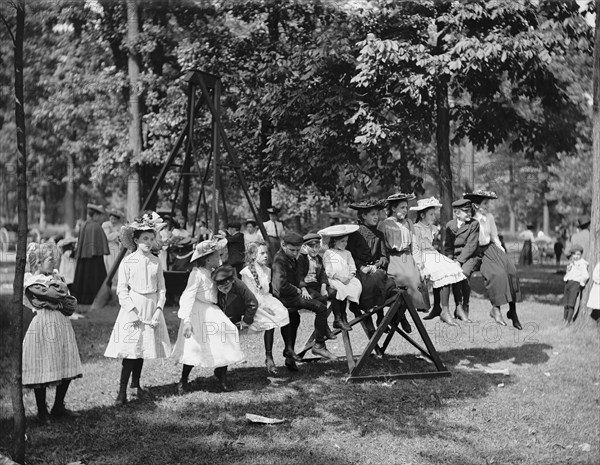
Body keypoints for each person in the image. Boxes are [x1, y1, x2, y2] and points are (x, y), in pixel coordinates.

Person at [104, 212, 172, 405]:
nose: (148, 242)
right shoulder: (128, 261)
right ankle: (121, 391)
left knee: (142, 348)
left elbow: (162, 288)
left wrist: (159, 309)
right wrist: (131, 311)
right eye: (144, 239)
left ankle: (136, 385)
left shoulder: (155, 261)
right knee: (131, 350)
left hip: (150, 306)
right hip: (133, 307)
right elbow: (122, 290)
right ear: (135, 240)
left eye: (151, 239)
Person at [171, 237, 245, 393]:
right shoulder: (196, 274)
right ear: (206, 259)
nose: (219, 258)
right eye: (216, 256)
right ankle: (183, 379)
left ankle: (222, 374)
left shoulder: (215, 272)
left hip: (212, 309)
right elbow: (188, 296)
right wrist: (186, 320)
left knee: (226, 333)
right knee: (195, 344)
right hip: (198, 311)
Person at [22, 242, 82, 423]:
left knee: (65, 359)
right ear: (38, 262)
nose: (53, 261)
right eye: (49, 259)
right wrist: (57, 297)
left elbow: (70, 303)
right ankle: (42, 410)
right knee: (43, 363)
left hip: (62, 324)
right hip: (43, 324)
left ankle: (58, 406)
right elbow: (54, 295)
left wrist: (58, 298)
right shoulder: (33, 281)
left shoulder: (56, 277)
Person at [271, 231, 337, 371]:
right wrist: (299, 290)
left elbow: (297, 276)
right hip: (285, 297)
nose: (295, 253)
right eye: (292, 250)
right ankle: (319, 345)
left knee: (294, 320)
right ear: (283, 245)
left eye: (297, 250)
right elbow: (280, 285)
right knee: (320, 308)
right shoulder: (279, 260)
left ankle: (289, 355)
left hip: (293, 294)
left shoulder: (290, 256)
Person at [465, 190, 523, 330]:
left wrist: (502, 251)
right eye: (485, 203)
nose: (487, 206)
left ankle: (512, 311)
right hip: (477, 250)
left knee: (511, 270)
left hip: (490, 247)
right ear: (475, 205)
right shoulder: (470, 220)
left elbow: (494, 236)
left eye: (487, 203)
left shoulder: (489, 217)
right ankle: (495, 309)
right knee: (497, 274)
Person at [410, 198, 467, 326]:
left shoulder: (432, 228)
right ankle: (444, 310)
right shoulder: (416, 229)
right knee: (442, 273)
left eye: (434, 213)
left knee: (454, 268)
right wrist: (420, 266)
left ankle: (456, 307)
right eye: (431, 214)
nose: (434, 216)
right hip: (423, 257)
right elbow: (415, 249)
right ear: (422, 215)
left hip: (433, 255)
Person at [240, 243, 292, 374]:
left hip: (267, 298)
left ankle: (288, 348)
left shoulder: (267, 271)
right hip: (254, 303)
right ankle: (269, 357)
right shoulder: (247, 273)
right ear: (253, 256)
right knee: (270, 323)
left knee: (284, 313)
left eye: (266, 253)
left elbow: (270, 290)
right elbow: (250, 295)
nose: (266, 256)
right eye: (262, 253)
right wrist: (264, 306)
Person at [378, 192, 430, 311]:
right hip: (392, 259)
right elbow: (381, 247)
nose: (405, 210)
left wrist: (421, 266)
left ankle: (411, 309)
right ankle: (397, 315)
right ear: (393, 208)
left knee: (418, 278)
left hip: (407, 258)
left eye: (406, 207)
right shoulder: (385, 224)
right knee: (405, 279)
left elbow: (415, 246)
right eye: (402, 207)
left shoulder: (409, 223)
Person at [298, 233, 352, 332]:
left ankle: (338, 318)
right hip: (307, 286)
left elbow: (323, 274)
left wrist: (323, 288)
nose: (315, 250)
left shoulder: (318, 258)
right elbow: (298, 275)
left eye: (317, 247)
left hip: (317, 285)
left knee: (335, 292)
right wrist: (303, 289)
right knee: (321, 300)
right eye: (312, 247)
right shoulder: (302, 258)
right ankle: (324, 327)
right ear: (305, 247)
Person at [442, 199, 481, 322]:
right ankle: (458, 308)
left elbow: (471, 246)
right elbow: (448, 246)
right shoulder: (450, 225)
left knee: (462, 274)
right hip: (454, 258)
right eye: (465, 211)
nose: (469, 213)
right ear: (457, 213)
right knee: (451, 274)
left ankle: (465, 306)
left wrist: (458, 262)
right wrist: (450, 261)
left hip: (471, 257)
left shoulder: (474, 224)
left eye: (470, 211)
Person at [320, 225, 364, 331]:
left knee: (356, 285)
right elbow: (328, 270)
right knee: (340, 290)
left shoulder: (347, 253)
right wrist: (340, 278)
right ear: (335, 241)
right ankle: (338, 318)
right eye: (342, 241)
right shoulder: (329, 253)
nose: (345, 244)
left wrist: (349, 276)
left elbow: (352, 266)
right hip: (335, 279)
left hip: (347, 279)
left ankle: (346, 314)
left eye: (346, 241)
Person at [71, 204, 110, 304]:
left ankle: (81, 298)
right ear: (95, 215)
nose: (100, 217)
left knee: (82, 278)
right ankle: (95, 298)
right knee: (96, 278)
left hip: (83, 258)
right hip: (95, 259)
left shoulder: (84, 225)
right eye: (99, 215)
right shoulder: (96, 226)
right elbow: (102, 242)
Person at [562, 244, 589, 325]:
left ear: (581, 254)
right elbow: (569, 273)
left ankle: (568, 320)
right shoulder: (572, 262)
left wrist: (582, 283)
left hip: (575, 283)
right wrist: (568, 270)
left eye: (578, 254)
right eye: (574, 254)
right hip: (568, 283)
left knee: (571, 303)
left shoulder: (582, 263)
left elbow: (585, 275)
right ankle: (564, 318)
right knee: (566, 303)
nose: (576, 256)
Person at [102, 209, 124, 274]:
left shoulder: (120, 226)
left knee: (114, 263)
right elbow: (107, 237)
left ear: (118, 220)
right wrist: (117, 233)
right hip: (107, 247)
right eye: (111, 218)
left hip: (116, 247)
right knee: (107, 264)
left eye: (115, 219)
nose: (113, 221)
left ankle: (114, 279)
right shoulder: (106, 225)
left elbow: (121, 238)